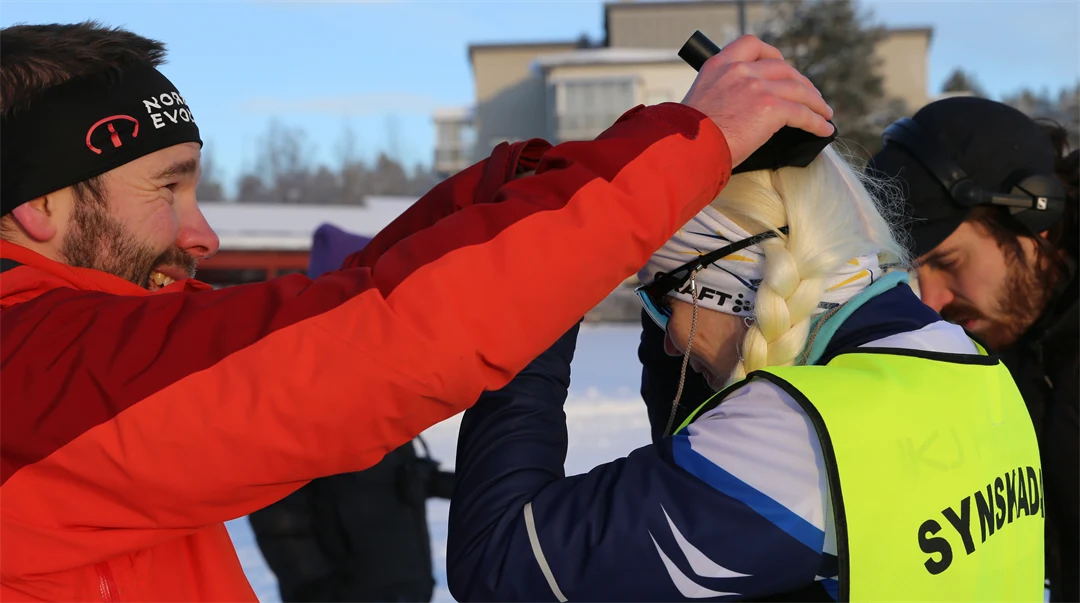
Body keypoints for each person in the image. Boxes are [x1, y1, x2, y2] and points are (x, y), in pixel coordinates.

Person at [0, 20, 834, 602]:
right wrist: (691, 144)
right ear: (42, 203)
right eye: (167, 187)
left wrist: (534, 175)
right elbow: (380, 340)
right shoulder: (31, 369)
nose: (203, 231)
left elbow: (357, 294)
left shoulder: (80, 356)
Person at [445, 142, 1044, 601]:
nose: (670, 344)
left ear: (723, 284)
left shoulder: (794, 434)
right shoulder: (969, 365)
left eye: (659, 300)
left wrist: (540, 285)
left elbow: (498, 563)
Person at [866, 96, 1080, 602]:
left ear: (1036, 216)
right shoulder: (974, 352)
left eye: (950, 261)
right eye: (912, 275)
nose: (932, 302)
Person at [249, 223, 455, 603]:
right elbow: (276, 514)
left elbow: (383, 475)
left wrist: (431, 480)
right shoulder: (297, 394)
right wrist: (314, 587)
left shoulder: (379, 385)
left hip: (407, 586)